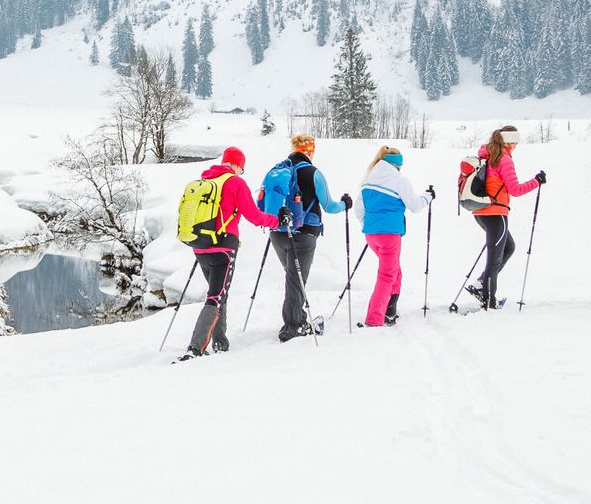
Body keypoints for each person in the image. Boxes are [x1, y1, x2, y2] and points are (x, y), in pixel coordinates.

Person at [183, 146, 278, 356]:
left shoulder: (206, 181)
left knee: (219, 293)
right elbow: (254, 216)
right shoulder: (235, 182)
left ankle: (220, 342)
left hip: (200, 247)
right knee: (216, 296)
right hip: (224, 249)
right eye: (241, 168)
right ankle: (195, 348)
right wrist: (276, 220)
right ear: (236, 165)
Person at [260, 135, 352, 340]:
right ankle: (293, 326)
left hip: (278, 232)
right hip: (304, 233)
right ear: (310, 151)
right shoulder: (313, 172)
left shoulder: (278, 170)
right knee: (296, 279)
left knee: (293, 276)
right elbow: (329, 205)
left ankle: (297, 316)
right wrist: (345, 204)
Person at [463, 127, 542, 309]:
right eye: (515, 142)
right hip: (496, 213)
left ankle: (481, 284)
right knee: (495, 258)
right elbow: (515, 190)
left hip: (481, 212)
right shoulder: (504, 159)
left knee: (508, 247)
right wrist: (537, 182)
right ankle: (489, 302)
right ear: (509, 142)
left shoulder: (486, 155)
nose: (516, 146)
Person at [357, 145, 431, 325]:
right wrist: (427, 197)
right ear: (397, 165)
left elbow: (359, 210)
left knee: (395, 272)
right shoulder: (400, 180)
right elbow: (414, 206)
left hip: (371, 234)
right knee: (387, 276)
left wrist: (371, 226)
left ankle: (390, 311)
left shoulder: (367, 181)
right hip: (390, 235)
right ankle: (375, 318)